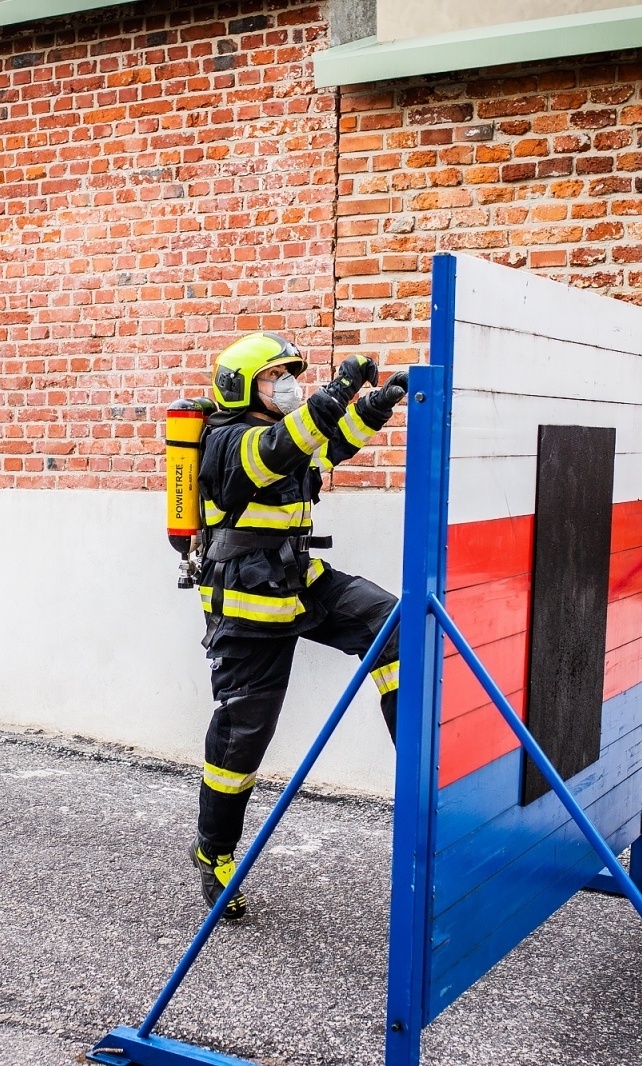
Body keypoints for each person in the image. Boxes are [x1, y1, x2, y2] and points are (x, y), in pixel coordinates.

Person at [190, 331, 408, 920]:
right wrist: (333, 391)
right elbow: (278, 450)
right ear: (241, 387)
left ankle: (417, 776)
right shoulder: (226, 441)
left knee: (396, 627)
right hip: (246, 604)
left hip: (297, 579)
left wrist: (376, 404)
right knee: (242, 740)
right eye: (274, 376)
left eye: (291, 375)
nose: (287, 385)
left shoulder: (287, 431)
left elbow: (326, 448)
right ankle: (214, 853)